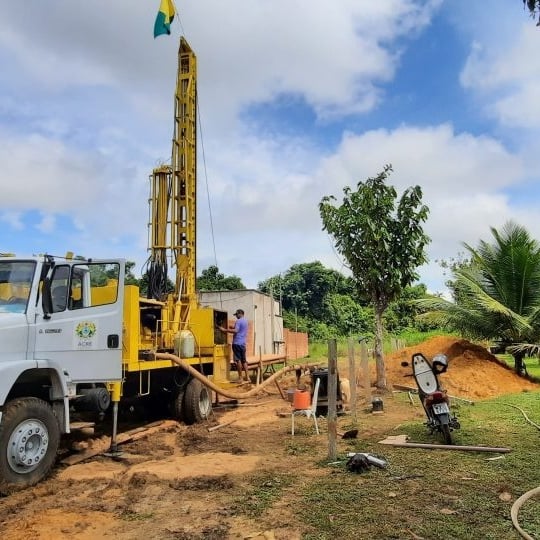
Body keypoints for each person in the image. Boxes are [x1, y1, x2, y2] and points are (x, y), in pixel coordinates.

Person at [219, 309, 249, 382]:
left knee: (238, 361)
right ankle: (248, 377)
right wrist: (233, 327)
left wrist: (224, 330)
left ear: (240, 314)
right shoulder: (245, 321)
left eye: (236, 315)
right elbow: (240, 330)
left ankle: (240, 378)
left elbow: (236, 331)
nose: (236, 316)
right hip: (243, 344)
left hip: (237, 343)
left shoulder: (238, 321)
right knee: (244, 361)